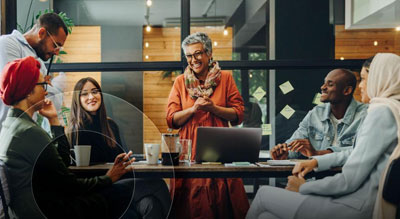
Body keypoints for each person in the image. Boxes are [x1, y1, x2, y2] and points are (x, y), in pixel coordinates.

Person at [246, 53, 400, 219]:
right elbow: (355, 153)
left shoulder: (379, 113)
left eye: (363, 79)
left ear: (379, 78)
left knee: (262, 195)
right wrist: (313, 160)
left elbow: (349, 180)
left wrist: (303, 187)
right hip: (353, 198)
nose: (361, 86)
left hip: (354, 205)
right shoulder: (393, 110)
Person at [0, 56, 138, 219]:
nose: (46, 90)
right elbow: (69, 184)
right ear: (28, 90)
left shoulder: (10, 126)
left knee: (131, 211)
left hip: (38, 206)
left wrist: (54, 120)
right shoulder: (28, 132)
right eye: (43, 84)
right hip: (53, 210)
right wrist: (109, 178)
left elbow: (62, 164)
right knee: (140, 191)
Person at [166, 32, 248, 218]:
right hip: (189, 149)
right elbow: (171, 119)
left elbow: (238, 115)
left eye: (197, 54)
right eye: (188, 55)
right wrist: (192, 110)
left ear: (209, 53)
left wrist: (214, 108)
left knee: (223, 201)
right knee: (192, 204)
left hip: (221, 146)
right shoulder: (180, 82)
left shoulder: (225, 78)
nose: (193, 60)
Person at [67, 77, 171, 218]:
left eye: (94, 92)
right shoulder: (77, 130)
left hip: (119, 184)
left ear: (101, 96)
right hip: (100, 189)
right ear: (77, 100)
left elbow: (120, 162)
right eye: (84, 94)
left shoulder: (110, 126)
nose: (91, 97)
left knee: (151, 204)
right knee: (158, 184)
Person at [270, 68, 367, 160]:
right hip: (315, 176)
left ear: (347, 91)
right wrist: (285, 152)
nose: (323, 87)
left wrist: (317, 153)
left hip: (348, 177)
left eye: (330, 84)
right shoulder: (315, 113)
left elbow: (362, 151)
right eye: (324, 83)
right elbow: (295, 142)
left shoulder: (365, 114)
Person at [0, 12, 68, 132]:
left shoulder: (39, 63)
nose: (57, 52)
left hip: (25, 130)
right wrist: (44, 84)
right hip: (6, 130)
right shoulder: (8, 44)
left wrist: (41, 86)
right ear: (41, 33)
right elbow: (15, 85)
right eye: (56, 45)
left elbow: (52, 100)